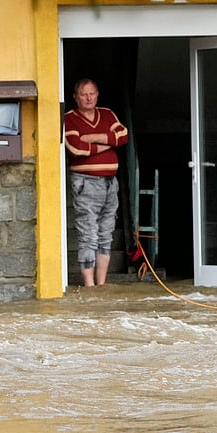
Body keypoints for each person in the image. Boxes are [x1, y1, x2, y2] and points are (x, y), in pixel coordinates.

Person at [64, 78, 129, 287]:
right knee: (88, 234)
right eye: (84, 94)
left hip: (111, 182)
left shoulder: (108, 114)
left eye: (92, 93)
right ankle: (89, 285)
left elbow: (123, 136)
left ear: (97, 94)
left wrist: (94, 137)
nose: (88, 97)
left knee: (106, 233)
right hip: (86, 182)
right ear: (76, 97)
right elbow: (76, 148)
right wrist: (108, 143)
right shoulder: (70, 119)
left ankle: (101, 284)